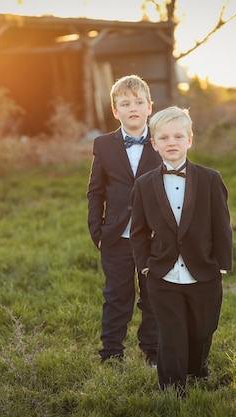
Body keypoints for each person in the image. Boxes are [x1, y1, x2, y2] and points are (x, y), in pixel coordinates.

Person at [130, 106, 233, 396]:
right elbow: (137, 232)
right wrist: (145, 265)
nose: (171, 143)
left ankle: (196, 368)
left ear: (190, 140)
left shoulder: (211, 179)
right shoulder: (144, 185)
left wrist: (221, 264)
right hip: (162, 273)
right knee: (171, 334)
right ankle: (173, 389)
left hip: (203, 270)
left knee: (202, 329)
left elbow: (221, 224)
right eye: (163, 138)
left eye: (178, 136)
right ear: (154, 144)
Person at [87, 75, 161, 366]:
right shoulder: (104, 145)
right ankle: (111, 353)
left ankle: (153, 349)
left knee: (153, 295)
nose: (133, 108)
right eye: (125, 104)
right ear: (115, 111)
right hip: (116, 235)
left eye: (139, 102)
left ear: (149, 107)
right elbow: (95, 191)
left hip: (154, 237)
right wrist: (98, 231)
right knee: (117, 295)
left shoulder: (160, 141)